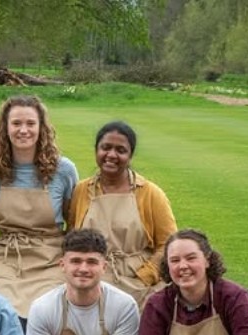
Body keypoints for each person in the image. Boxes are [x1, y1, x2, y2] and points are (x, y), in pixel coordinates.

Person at [0, 95, 78, 326]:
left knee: (44, 312)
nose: (23, 130)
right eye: (16, 123)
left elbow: (74, 221)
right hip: (7, 257)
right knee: (0, 310)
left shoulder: (63, 169)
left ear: (41, 128)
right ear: (5, 128)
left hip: (49, 257)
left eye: (30, 124)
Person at [68, 121, 177, 307]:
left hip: (136, 281)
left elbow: (169, 244)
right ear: (96, 150)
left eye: (120, 150)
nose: (111, 155)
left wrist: (145, 275)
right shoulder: (81, 191)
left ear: (130, 155)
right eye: (106, 148)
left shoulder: (150, 193)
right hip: (89, 277)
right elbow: (71, 237)